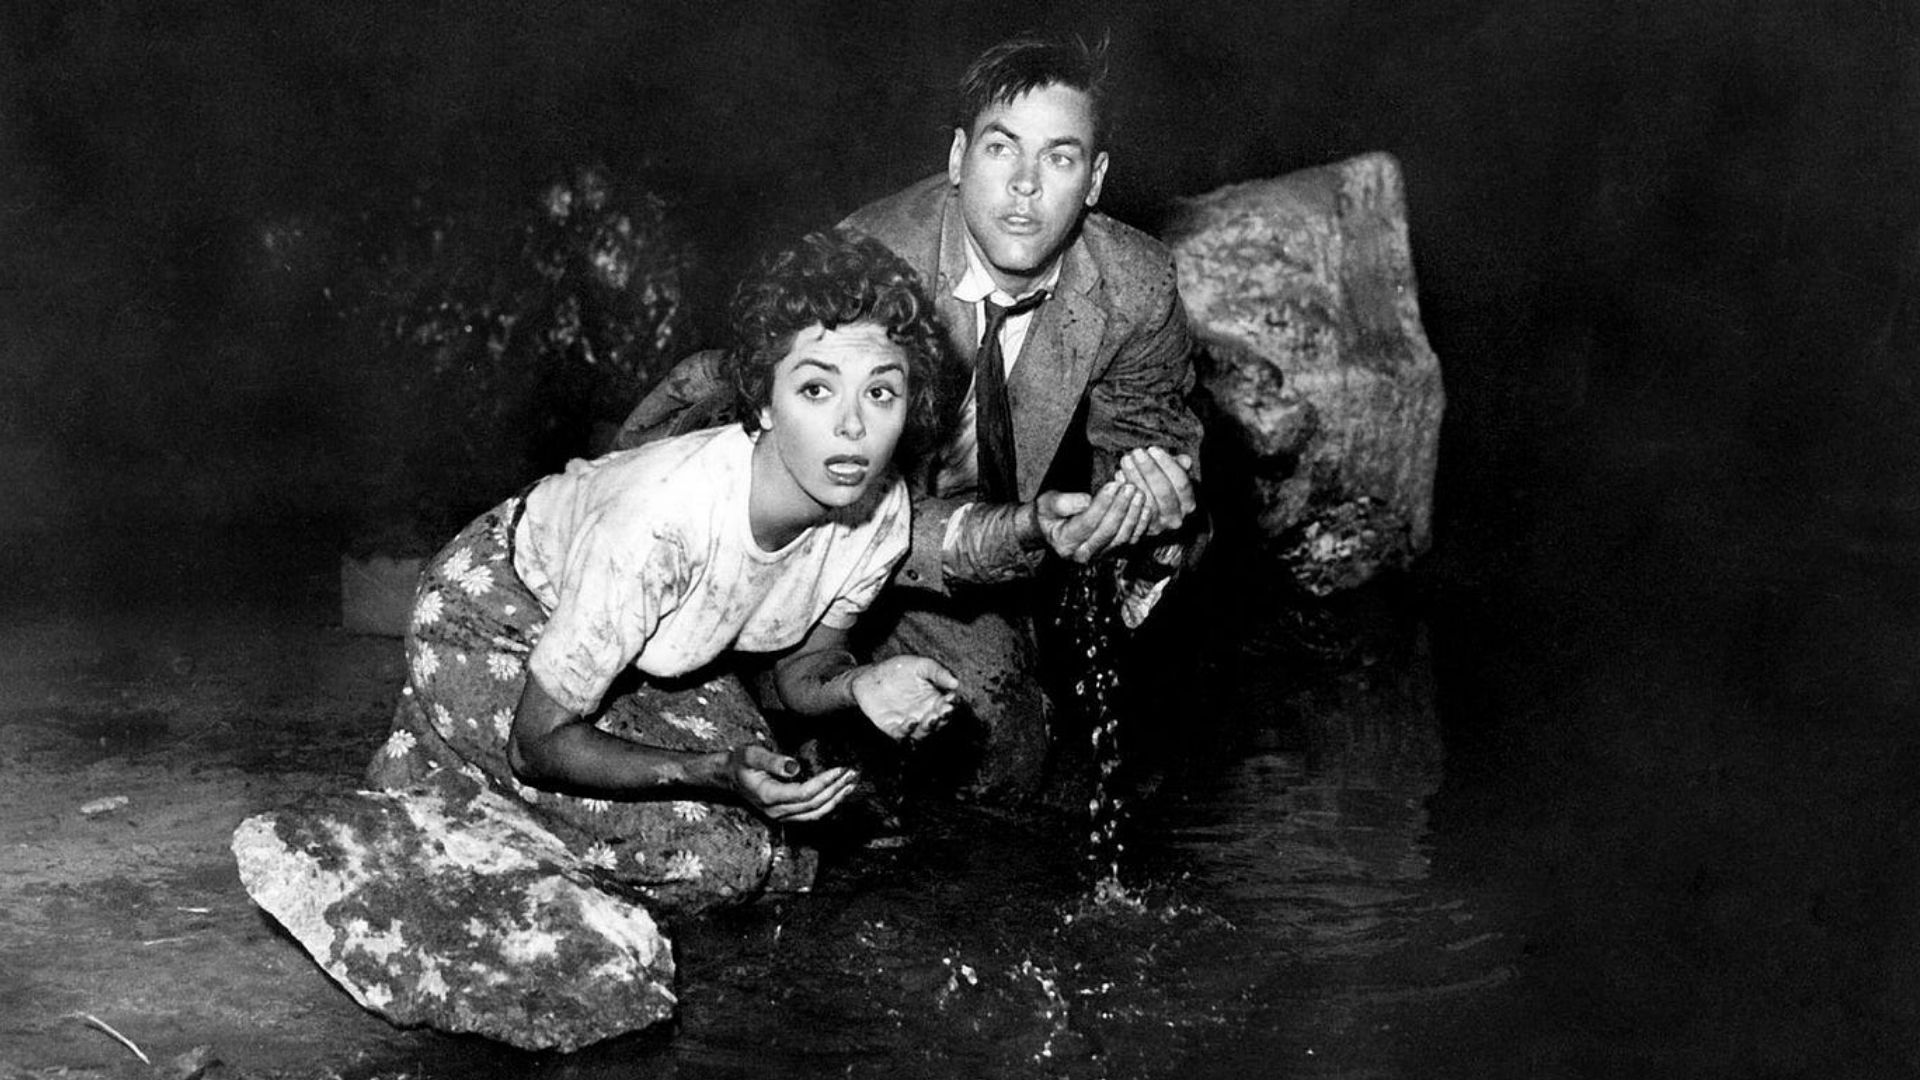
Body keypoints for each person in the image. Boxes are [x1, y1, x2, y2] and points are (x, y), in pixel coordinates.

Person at [618, 34, 1205, 800]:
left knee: (1004, 741)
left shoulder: (1136, 286)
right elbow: (840, 508)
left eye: (1059, 158)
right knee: (731, 697)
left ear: (1094, 180)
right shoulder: (868, 269)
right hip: (787, 512)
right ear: (958, 158)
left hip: (947, 539)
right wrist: (1025, 530)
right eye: (1001, 148)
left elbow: (1148, 457)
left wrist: (1142, 524)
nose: (1025, 186)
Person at [364, 230, 962, 913]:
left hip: (644, 650)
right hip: (493, 611)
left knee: (785, 846)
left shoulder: (880, 511)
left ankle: (473, 752)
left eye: (881, 392)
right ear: (765, 402)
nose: (853, 427)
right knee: (722, 858)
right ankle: (440, 764)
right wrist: (713, 771)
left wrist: (861, 684)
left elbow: (802, 674)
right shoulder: (662, 523)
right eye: (817, 389)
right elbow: (538, 745)